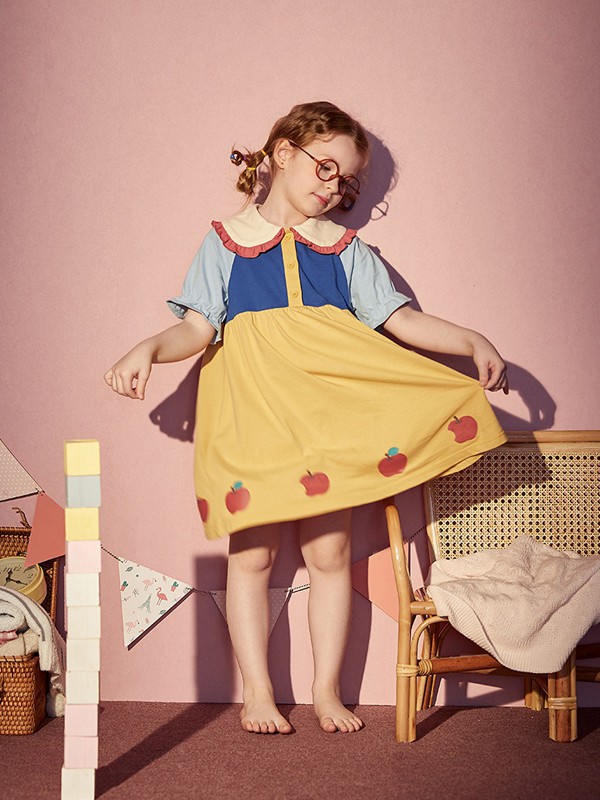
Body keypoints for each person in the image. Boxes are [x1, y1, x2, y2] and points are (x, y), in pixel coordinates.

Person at [105, 101, 508, 735]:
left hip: (327, 424)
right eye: (326, 168)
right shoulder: (224, 242)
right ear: (284, 153)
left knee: (330, 552)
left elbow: (399, 319)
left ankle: (325, 691)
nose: (334, 187)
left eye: (346, 181)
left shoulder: (344, 249)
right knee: (252, 556)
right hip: (253, 420)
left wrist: (470, 339)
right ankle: (257, 692)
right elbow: (197, 327)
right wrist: (149, 349)